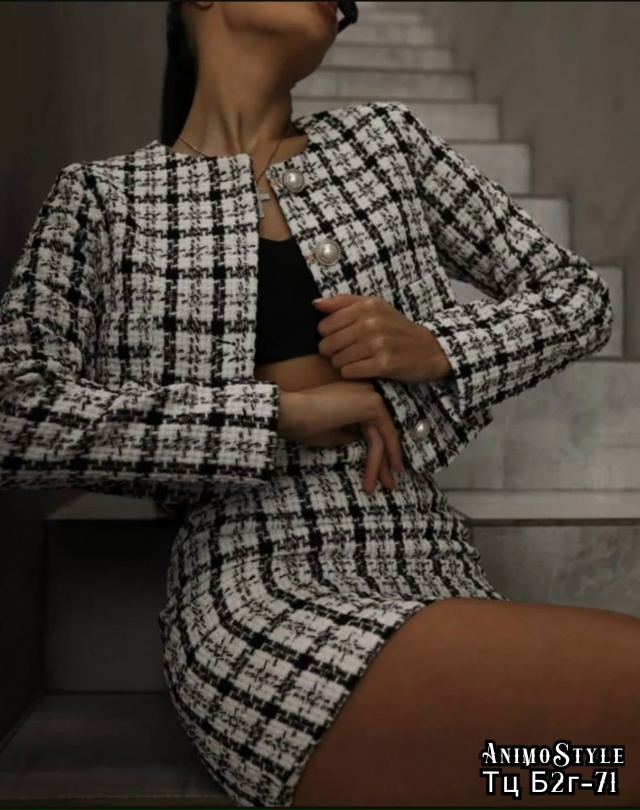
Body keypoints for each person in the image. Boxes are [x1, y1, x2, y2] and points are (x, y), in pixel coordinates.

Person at [0, 0, 638, 806]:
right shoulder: (103, 198)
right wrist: (275, 415)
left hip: (428, 559)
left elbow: (577, 295)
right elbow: (19, 416)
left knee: (570, 779)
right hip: (255, 585)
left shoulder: (385, 144)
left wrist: (440, 347)